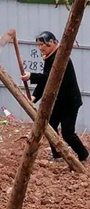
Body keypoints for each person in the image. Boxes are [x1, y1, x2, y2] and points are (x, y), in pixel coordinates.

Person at [21, 31, 88, 163]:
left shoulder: (61, 58)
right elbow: (46, 81)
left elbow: (50, 77)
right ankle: (57, 155)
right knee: (50, 127)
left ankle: (84, 155)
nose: (40, 48)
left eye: (42, 45)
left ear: (51, 43)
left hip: (69, 102)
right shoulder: (49, 56)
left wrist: (32, 76)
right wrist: (34, 97)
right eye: (38, 45)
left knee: (68, 133)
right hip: (58, 101)